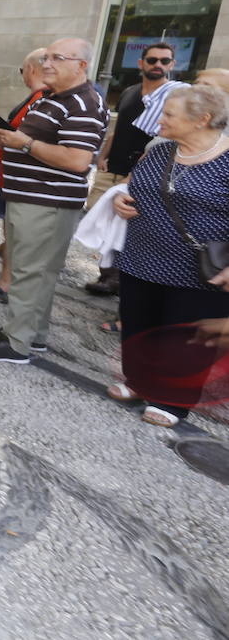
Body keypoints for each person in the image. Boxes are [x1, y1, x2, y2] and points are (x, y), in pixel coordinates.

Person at [0, 38, 109, 364]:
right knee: (37, 271)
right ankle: (31, 334)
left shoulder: (84, 102)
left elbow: (77, 160)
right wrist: (6, 137)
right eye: (46, 57)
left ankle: (16, 343)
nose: (46, 64)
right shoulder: (52, 96)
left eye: (57, 58)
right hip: (34, 197)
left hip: (48, 201)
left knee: (29, 271)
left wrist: (24, 143)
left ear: (81, 65)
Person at [108, 85, 229, 425]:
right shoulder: (160, 150)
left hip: (199, 270)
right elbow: (131, 186)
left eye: (168, 115)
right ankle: (138, 381)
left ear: (202, 119)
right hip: (141, 258)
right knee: (138, 323)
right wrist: (119, 200)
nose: (159, 120)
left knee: (185, 334)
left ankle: (173, 400)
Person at [84, 41, 178, 296]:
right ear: (141, 64)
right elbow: (118, 129)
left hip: (143, 174)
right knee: (100, 218)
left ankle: (118, 281)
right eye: (152, 60)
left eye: (164, 61)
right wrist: (102, 156)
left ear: (172, 65)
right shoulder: (129, 92)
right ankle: (107, 273)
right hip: (111, 167)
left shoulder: (173, 96)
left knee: (129, 226)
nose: (158, 65)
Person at [0, 48, 49, 305]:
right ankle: (8, 280)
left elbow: (28, 138)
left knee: (18, 237)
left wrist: (2, 135)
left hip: (25, 181)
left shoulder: (42, 98)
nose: (22, 75)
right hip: (13, 178)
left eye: (22, 69)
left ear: (32, 69)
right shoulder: (37, 98)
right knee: (11, 232)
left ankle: (7, 284)